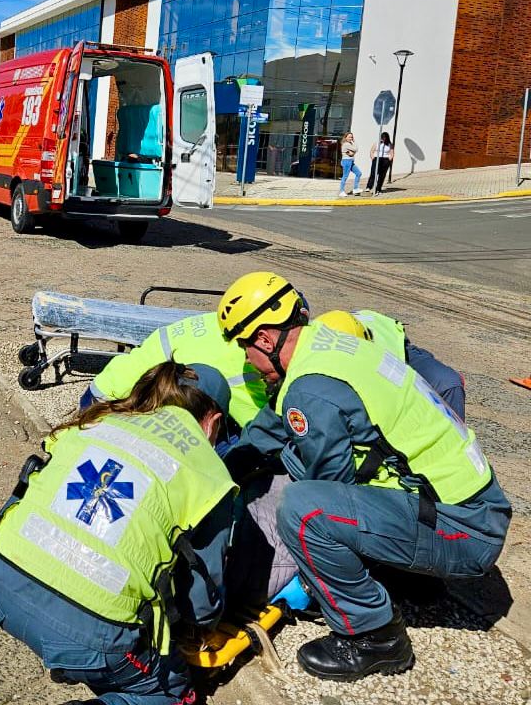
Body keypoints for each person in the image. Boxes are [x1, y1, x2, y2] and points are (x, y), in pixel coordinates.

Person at [217, 272, 511, 682]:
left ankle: (374, 637)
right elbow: (275, 423)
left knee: (303, 509)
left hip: (464, 529)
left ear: (265, 339)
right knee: (318, 479)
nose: (247, 359)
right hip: (470, 507)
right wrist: (229, 461)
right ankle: (409, 576)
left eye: (245, 347)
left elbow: (328, 484)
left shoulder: (311, 387)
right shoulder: (331, 348)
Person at [0, 361, 238, 705]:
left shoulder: (99, 422)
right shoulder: (207, 475)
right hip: (90, 636)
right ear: (213, 421)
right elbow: (201, 609)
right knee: (173, 694)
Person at [82, 313, 273, 438]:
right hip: (114, 407)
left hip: (106, 387)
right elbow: (258, 429)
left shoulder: (227, 321)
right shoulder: (246, 360)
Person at [315, 310, 467, 420]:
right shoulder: (314, 352)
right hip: (352, 335)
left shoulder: (384, 359)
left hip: (391, 344)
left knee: (446, 383)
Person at [366, 132, 395, 196]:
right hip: (377, 159)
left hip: (385, 159)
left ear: (387, 138)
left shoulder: (390, 144)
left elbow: (392, 152)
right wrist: (373, 157)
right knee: (373, 173)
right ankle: (369, 187)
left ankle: (378, 189)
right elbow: (372, 151)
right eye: (382, 137)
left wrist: (389, 159)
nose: (383, 139)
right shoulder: (377, 143)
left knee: (382, 175)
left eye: (385, 137)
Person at [339, 132, 361, 198]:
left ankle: (355, 189)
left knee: (358, 173)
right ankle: (341, 191)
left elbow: (353, 152)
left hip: (350, 161)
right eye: (349, 137)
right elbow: (355, 149)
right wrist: (353, 150)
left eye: (351, 137)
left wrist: (352, 152)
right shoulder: (346, 144)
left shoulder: (350, 144)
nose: (351, 138)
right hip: (346, 162)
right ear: (345, 138)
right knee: (345, 176)